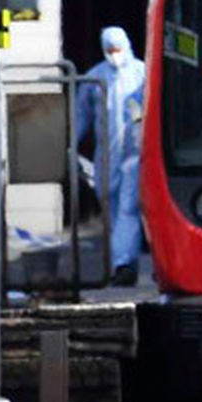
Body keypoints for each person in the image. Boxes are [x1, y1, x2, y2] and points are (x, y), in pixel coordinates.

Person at [76, 26, 145, 286]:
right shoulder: (95, 78)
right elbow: (81, 115)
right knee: (111, 209)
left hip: (133, 154)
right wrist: (70, 143)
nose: (114, 55)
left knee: (128, 208)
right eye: (110, 51)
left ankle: (123, 263)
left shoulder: (141, 73)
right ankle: (123, 261)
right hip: (105, 156)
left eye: (117, 50)